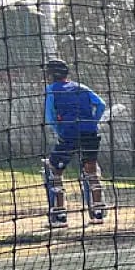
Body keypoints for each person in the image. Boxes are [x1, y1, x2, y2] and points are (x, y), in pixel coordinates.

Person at [42, 59, 108, 228]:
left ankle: (60, 215)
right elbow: (101, 104)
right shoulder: (82, 87)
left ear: (52, 75)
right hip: (90, 133)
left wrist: (60, 131)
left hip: (69, 134)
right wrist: (92, 122)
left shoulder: (51, 90)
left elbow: (50, 117)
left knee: (54, 170)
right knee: (91, 171)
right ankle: (98, 213)